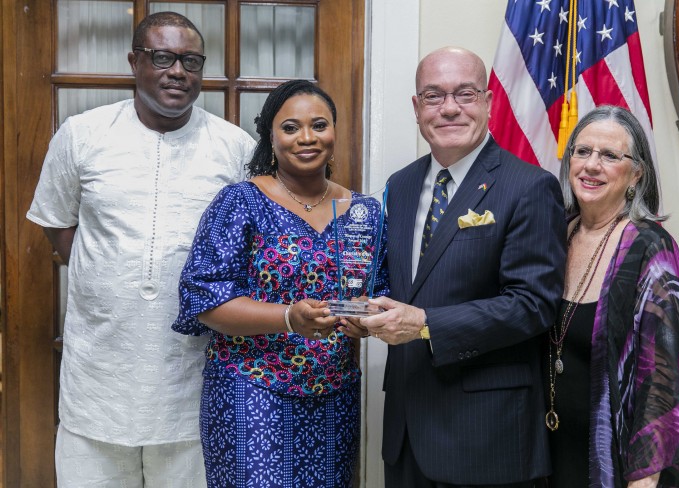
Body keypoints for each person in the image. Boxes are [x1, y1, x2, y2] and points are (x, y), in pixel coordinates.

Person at [26, 12, 256, 487]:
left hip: (190, 383)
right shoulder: (82, 134)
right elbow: (58, 224)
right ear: (135, 62)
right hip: (98, 382)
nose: (178, 71)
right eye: (163, 57)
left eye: (191, 60)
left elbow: (248, 248)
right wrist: (111, 272)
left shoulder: (234, 148)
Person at [358, 46, 566, 487]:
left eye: (465, 94)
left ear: (488, 102)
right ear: (417, 109)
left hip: (486, 436)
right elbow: (408, 286)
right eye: (433, 96)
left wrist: (425, 323)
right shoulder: (402, 183)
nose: (449, 108)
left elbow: (533, 305)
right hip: (406, 430)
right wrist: (363, 313)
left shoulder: (529, 187)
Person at [173, 79, 388, 487]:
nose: (306, 137)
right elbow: (203, 298)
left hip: (333, 397)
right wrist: (289, 317)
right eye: (290, 127)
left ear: (334, 131)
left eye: (319, 125)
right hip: (250, 390)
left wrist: (365, 323)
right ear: (270, 137)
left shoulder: (365, 211)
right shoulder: (240, 202)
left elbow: (378, 296)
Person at [545, 105, 679, 487]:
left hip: (616, 468)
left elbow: (666, 390)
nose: (591, 166)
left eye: (610, 156)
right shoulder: (555, 236)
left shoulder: (653, 253)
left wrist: (644, 482)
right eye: (582, 152)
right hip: (549, 457)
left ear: (636, 174)